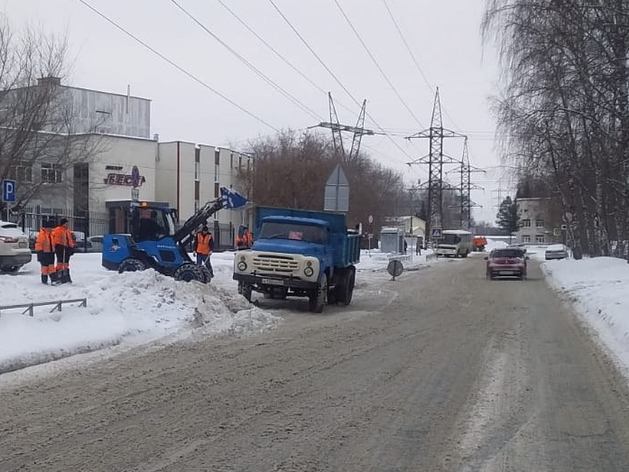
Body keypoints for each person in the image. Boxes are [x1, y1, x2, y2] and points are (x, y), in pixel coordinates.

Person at [53, 218, 75, 284]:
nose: (68, 225)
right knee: (60, 262)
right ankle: (58, 276)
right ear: (63, 224)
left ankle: (65, 276)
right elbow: (57, 239)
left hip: (67, 248)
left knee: (66, 263)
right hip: (60, 248)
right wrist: (60, 245)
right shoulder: (58, 230)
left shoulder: (67, 230)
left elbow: (69, 239)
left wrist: (71, 247)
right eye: (66, 223)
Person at [35, 219, 57, 285]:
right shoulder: (42, 234)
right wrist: (40, 252)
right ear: (47, 228)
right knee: (45, 268)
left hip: (51, 253)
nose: (51, 229)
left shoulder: (51, 234)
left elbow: (53, 243)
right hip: (44, 253)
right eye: (50, 228)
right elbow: (39, 243)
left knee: (51, 267)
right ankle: (44, 280)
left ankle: (53, 280)